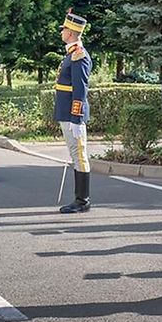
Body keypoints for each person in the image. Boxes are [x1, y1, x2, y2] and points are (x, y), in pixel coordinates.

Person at [55, 11, 93, 214]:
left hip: (72, 115)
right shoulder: (72, 53)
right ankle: (80, 199)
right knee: (75, 154)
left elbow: (80, 89)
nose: (62, 32)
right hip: (67, 112)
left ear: (70, 32)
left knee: (79, 155)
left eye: (64, 29)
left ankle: (82, 200)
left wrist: (76, 118)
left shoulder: (79, 56)